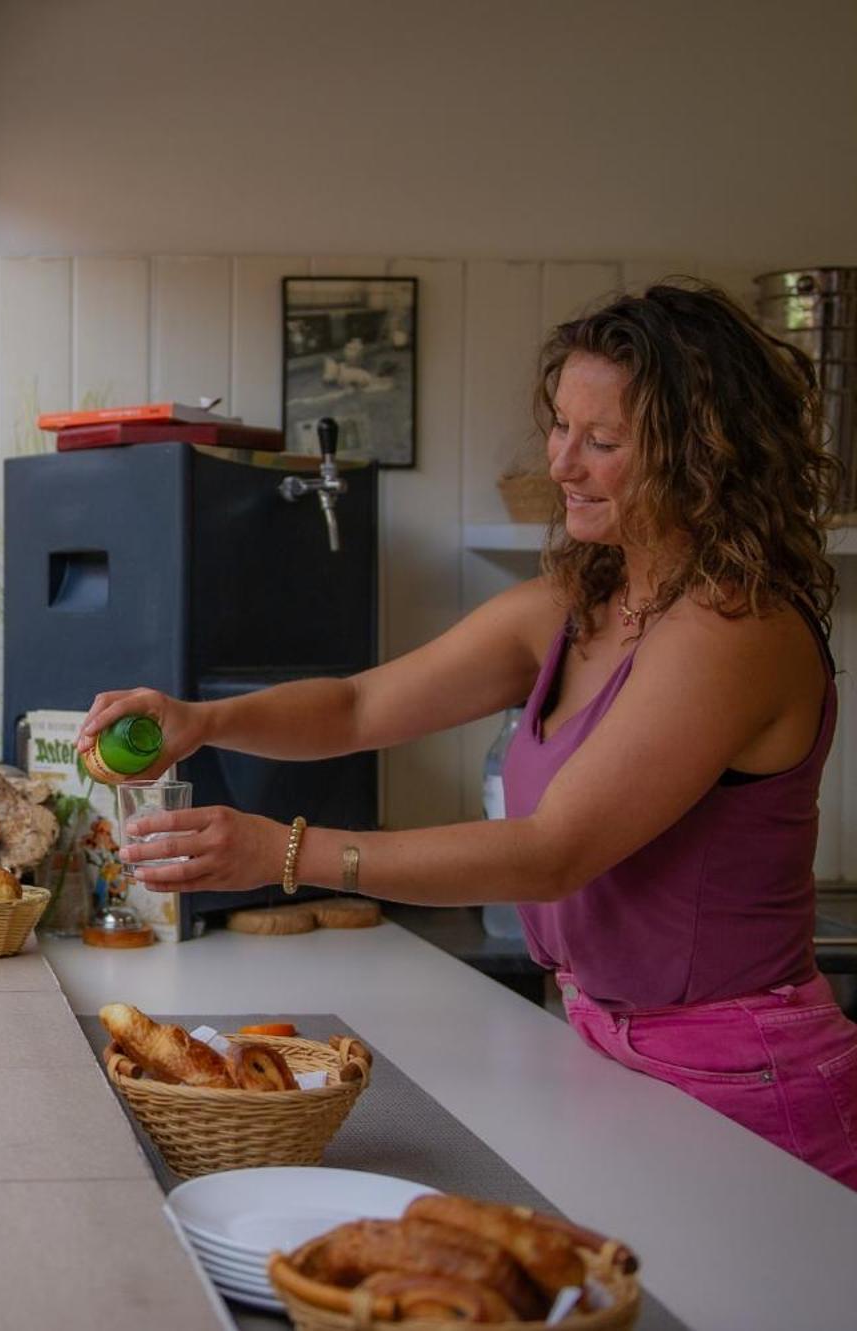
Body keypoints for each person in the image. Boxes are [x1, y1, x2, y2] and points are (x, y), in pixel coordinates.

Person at [79, 282, 857, 1188]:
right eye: (560, 427)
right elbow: (358, 709)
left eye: (602, 442)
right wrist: (200, 721)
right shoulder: (575, 608)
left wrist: (284, 850)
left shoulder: (734, 632)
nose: (563, 463)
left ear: (705, 460)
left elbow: (553, 850)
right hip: (600, 1038)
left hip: (748, 1077)